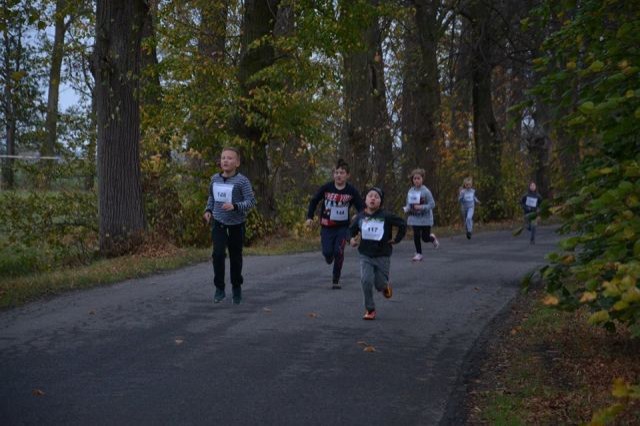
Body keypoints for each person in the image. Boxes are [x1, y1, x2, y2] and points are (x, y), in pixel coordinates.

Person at [203, 147, 256, 304]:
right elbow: (211, 198)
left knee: (235, 258)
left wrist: (235, 206)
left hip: (236, 225)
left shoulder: (242, 181)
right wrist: (208, 211)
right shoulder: (215, 179)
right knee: (218, 255)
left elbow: (251, 201)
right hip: (219, 223)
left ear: (237, 163)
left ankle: (236, 287)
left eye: (230, 158)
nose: (225, 160)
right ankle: (219, 289)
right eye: (223, 158)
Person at [349, 187, 406, 320]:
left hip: (383, 255)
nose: (373, 198)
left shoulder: (386, 215)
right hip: (365, 255)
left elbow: (402, 224)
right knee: (366, 281)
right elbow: (350, 231)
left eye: (376, 197)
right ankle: (370, 309)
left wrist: (396, 239)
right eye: (370, 196)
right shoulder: (360, 216)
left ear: (380, 202)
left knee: (379, 284)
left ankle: (385, 286)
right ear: (365, 200)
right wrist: (350, 239)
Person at [306, 159, 364, 289]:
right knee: (327, 252)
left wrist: (358, 216)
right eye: (336, 172)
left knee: (339, 251)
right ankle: (328, 256)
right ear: (333, 175)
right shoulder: (327, 187)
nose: (338, 175)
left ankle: (336, 279)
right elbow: (314, 200)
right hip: (327, 226)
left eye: (342, 172)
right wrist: (309, 217)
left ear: (347, 175)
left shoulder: (351, 191)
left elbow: (362, 207)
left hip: (343, 227)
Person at [402, 168, 439, 262]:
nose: (416, 180)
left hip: (425, 218)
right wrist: (407, 208)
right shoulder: (410, 191)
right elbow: (408, 203)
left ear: (422, 179)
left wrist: (421, 207)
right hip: (414, 217)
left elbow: (432, 204)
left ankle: (432, 238)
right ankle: (419, 253)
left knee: (425, 238)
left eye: (418, 178)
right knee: (416, 235)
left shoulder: (426, 191)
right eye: (414, 178)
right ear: (412, 180)